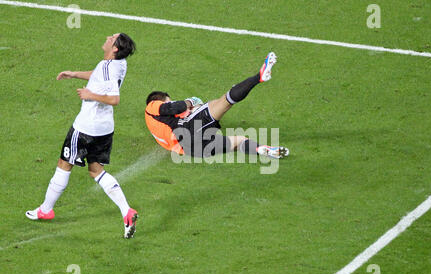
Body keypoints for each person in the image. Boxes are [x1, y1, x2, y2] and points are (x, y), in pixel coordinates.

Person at [26, 33, 139, 239]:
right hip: (105, 128)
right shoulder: (118, 64)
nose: (107, 37)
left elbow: (114, 98)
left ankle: (45, 209)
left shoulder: (107, 66)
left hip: (86, 127)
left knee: (64, 164)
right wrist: (75, 74)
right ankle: (127, 211)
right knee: (96, 171)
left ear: (114, 48)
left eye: (112, 37)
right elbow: (99, 75)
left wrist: (90, 95)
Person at [144, 52, 289, 159]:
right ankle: (259, 77)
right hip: (188, 130)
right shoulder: (151, 106)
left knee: (238, 141)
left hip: (192, 150)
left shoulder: (156, 130)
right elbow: (177, 107)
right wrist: (190, 102)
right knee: (224, 101)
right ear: (161, 100)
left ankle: (261, 149)